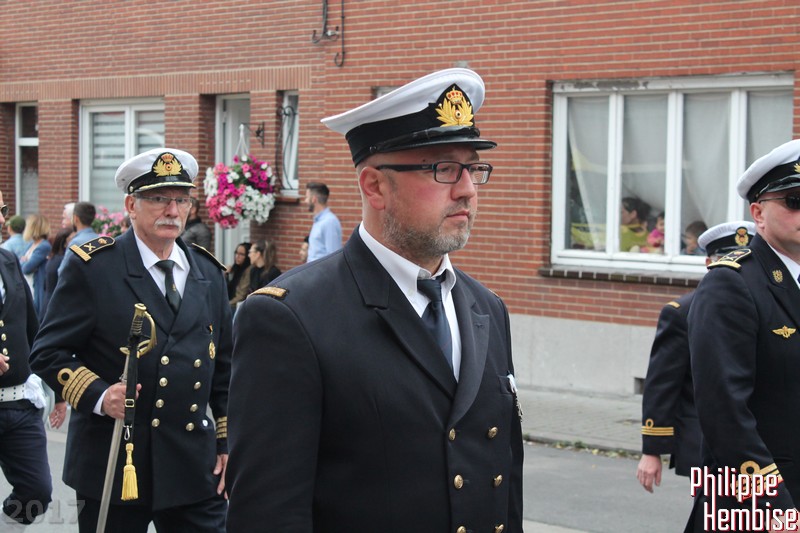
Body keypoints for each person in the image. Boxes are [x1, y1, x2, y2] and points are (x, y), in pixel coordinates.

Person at [226, 68, 523, 532]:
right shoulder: (291, 317)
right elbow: (268, 515)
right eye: (444, 168)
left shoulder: (486, 308)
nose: (467, 188)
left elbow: (503, 482)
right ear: (375, 186)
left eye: (473, 168)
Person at [30, 148, 232, 532]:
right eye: (159, 199)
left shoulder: (208, 272)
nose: (172, 210)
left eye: (181, 200)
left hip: (192, 463)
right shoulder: (94, 267)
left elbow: (226, 368)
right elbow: (48, 352)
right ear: (131, 205)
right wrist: (100, 396)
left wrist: (226, 441)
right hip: (116, 459)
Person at [684, 138, 800, 531]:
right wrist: (774, 508)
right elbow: (725, 413)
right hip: (757, 503)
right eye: (795, 200)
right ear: (758, 213)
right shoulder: (732, 283)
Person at [636, 220, 755, 494]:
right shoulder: (682, 312)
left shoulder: (767, 307)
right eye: (727, 261)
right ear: (708, 264)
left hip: (757, 438)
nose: (737, 268)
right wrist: (652, 450)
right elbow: (662, 383)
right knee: (715, 510)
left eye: (744, 260)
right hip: (704, 440)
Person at [0, 192, 52, 530]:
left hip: (19, 404)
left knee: (37, 492)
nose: (1, 219)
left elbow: (33, 326)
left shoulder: (7, 259)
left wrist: (58, 387)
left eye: (2, 209)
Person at [20, 214, 52, 321]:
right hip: (28, 285)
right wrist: (24, 261)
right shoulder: (31, 245)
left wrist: (24, 261)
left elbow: (26, 268)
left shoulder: (44, 246)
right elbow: (20, 263)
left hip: (36, 288)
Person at [304, 181, 342, 262]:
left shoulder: (329, 222)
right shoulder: (319, 221)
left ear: (314, 199)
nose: (305, 201)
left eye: (307, 197)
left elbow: (333, 258)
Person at [41, 227, 73, 314]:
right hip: (56, 305)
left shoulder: (53, 258)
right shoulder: (63, 260)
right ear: (65, 243)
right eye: (72, 239)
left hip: (48, 302)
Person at [226, 242, 251, 310]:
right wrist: (226, 275)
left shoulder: (248, 271)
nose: (237, 256)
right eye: (236, 253)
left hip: (238, 307)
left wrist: (227, 305)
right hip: (231, 303)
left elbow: (241, 296)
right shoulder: (235, 268)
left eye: (241, 254)